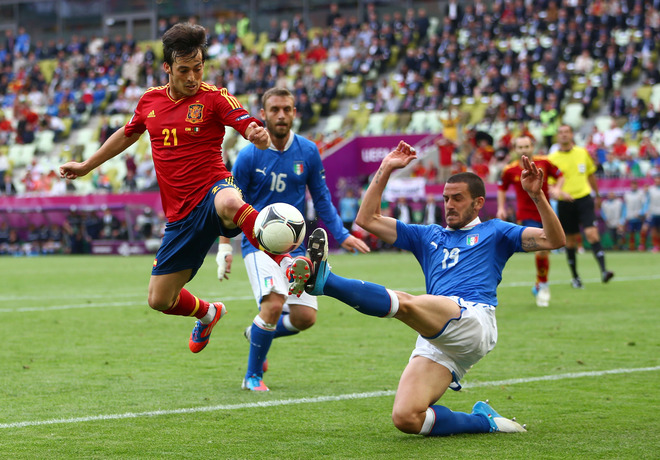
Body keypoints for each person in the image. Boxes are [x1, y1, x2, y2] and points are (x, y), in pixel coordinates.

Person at [287, 141, 565, 436]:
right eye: (446, 198)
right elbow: (366, 219)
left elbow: (553, 239)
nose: (449, 205)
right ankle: (485, 421)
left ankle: (326, 281)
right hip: (437, 335)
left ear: (478, 203)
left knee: (407, 304)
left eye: (457, 198)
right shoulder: (428, 235)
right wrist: (386, 167)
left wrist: (537, 195)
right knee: (407, 417)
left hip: (473, 319)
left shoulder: (496, 231)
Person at [59, 22, 286, 355]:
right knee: (159, 299)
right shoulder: (150, 102)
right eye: (183, 70)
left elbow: (243, 119)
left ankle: (286, 259)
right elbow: (127, 133)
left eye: (198, 68)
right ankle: (209, 313)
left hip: (213, 189)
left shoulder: (213, 97)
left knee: (227, 200)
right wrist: (87, 165)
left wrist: (255, 132)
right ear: (167, 68)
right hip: (179, 217)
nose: (192, 77)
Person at [216, 87, 369, 391]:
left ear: (294, 112)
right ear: (264, 114)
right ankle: (252, 376)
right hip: (257, 243)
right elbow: (229, 202)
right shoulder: (248, 156)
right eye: (275, 109)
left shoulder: (308, 151)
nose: (281, 115)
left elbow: (322, 198)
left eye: (287, 109)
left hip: (294, 247)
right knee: (273, 305)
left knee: (305, 318)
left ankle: (257, 331)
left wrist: (342, 235)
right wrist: (224, 246)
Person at [497, 135, 566, 307]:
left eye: (526, 146)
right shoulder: (509, 170)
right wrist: (501, 207)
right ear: (515, 149)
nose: (524, 150)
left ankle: (540, 283)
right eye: (520, 147)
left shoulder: (544, 163)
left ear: (532, 147)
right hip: (526, 214)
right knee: (542, 249)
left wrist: (557, 188)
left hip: (546, 213)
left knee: (544, 249)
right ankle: (543, 284)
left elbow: (561, 175)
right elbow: (501, 188)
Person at [548, 125, 614, 288]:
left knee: (592, 234)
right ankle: (576, 277)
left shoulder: (582, 153)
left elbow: (590, 175)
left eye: (566, 132)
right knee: (570, 241)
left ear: (571, 135)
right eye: (560, 132)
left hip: (584, 198)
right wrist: (561, 193)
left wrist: (597, 195)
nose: (563, 135)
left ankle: (604, 271)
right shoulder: (552, 158)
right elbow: (550, 184)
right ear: (557, 136)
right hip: (565, 202)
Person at [620, 179, 647, 251]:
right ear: (631, 185)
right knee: (631, 232)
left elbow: (644, 205)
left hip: (639, 217)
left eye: (635, 184)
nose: (634, 186)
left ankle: (641, 246)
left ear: (637, 185)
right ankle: (632, 247)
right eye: (632, 184)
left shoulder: (641, 194)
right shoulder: (627, 195)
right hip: (630, 217)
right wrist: (623, 218)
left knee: (641, 232)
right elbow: (625, 207)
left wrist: (641, 213)